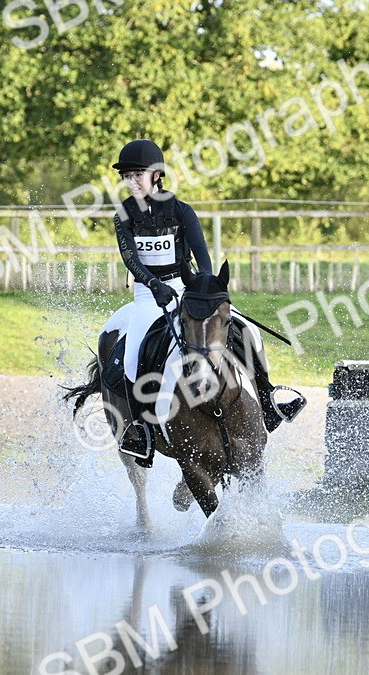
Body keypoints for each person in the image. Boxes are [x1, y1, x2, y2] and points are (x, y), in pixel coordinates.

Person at [101, 138, 305, 462]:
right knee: (135, 350)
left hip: (189, 288)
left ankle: (268, 400)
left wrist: (203, 290)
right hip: (146, 295)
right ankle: (141, 430)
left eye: (138, 174)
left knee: (244, 329)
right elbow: (131, 259)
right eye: (127, 176)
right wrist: (154, 284)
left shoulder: (181, 210)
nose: (132, 181)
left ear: (156, 175)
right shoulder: (123, 216)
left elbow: (203, 258)